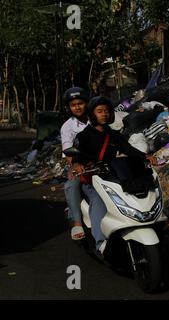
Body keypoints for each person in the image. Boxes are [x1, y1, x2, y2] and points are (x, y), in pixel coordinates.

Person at [71, 96, 157, 254]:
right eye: (99, 111)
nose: (104, 114)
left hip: (112, 176)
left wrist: (145, 157)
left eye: (107, 111)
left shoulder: (114, 135)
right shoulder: (83, 136)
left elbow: (128, 149)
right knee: (99, 203)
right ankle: (100, 241)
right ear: (92, 114)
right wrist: (78, 164)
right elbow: (75, 156)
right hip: (92, 179)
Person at [60, 87, 90, 241]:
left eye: (80, 103)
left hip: (101, 162)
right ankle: (77, 222)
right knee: (71, 185)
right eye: (73, 105)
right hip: (79, 165)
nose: (77, 107)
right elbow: (67, 150)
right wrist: (75, 166)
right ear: (69, 108)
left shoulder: (97, 117)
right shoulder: (67, 126)